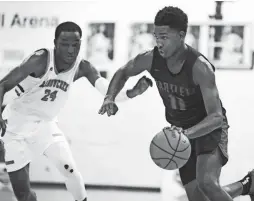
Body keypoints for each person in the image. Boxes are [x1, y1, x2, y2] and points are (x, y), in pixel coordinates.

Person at [99, 6, 254, 201]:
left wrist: (185, 135)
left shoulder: (200, 67)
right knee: (198, 198)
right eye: (156, 37)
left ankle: (247, 184)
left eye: (164, 37)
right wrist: (109, 97)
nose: (159, 43)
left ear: (181, 35)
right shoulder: (150, 59)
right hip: (180, 129)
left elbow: (216, 117)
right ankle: (248, 185)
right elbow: (123, 72)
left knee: (207, 183)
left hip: (209, 127)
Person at [0, 21, 153, 201]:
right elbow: (3, 85)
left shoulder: (82, 67)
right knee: (23, 195)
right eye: (65, 44)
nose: (71, 50)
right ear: (55, 43)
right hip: (15, 128)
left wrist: (132, 93)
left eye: (76, 45)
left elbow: (106, 88)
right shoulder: (40, 60)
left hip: (45, 126)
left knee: (70, 170)